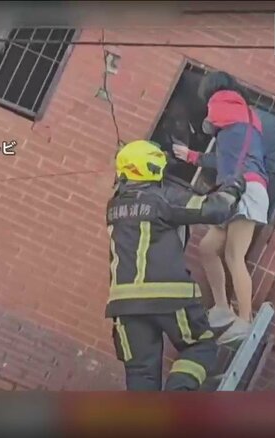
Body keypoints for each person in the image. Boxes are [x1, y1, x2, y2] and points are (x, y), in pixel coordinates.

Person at [106, 139, 246, 391]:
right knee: (200, 346)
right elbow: (214, 209)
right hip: (168, 296)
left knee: (141, 371)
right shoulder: (162, 198)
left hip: (125, 304)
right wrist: (232, 187)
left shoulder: (114, 206)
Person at [172, 71, 269, 344]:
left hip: (245, 188)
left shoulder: (220, 103)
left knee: (234, 255)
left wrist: (194, 140)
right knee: (207, 248)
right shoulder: (249, 115)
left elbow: (207, 126)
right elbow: (224, 159)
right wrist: (192, 157)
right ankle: (222, 308)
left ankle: (245, 320)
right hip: (237, 189)